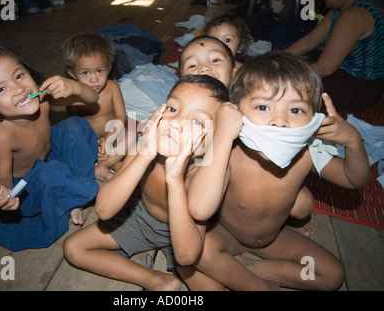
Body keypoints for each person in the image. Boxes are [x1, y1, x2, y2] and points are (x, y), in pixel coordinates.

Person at [179, 52, 370, 290]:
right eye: (262, 107)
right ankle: (256, 285)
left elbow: (354, 179)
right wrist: (223, 136)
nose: (279, 121)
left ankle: (247, 268)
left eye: (296, 110)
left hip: (272, 239)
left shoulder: (308, 149)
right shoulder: (229, 147)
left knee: (330, 275)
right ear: (236, 111)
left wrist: (353, 140)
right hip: (224, 235)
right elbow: (197, 206)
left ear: (315, 117)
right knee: (198, 252)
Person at [63, 74, 230, 291]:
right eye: (172, 109)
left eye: (197, 121)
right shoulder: (145, 146)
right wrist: (145, 153)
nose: (176, 123)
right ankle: (155, 280)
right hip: (138, 217)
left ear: (215, 140)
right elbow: (104, 210)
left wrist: (174, 180)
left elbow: (186, 254)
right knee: (73, 248)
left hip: (182, 234)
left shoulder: (208, 172)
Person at [0, 44, 100, 251]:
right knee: (51, 173)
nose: (19, 89)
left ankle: (74, 195)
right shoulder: (1, 136)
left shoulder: (42, 99)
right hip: (29, 185)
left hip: (50, 158)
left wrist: (74, 87)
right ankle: (80, 195)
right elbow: (2, 177)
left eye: (19, 76)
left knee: (74, 126)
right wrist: (4, 191)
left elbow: (93, 98)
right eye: (1, 89)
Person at [179, 37, 316, 235]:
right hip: (214, 177)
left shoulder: (249, 102)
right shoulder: (184, 110)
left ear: (235, 71)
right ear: (182, 79)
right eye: (192, 65)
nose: (204, 68)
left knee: (303, 204)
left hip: (257, 178)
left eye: (215, 60)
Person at [286, 0, 384, 111]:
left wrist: (282, 76)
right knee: (297, 61)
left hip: (358, 86)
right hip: (341, 72)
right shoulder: (337, 12)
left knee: (286, 91)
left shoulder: (356, 15)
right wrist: (275, 59)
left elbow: (325, 69)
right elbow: (310, 41)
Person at [62, 33, 131, 182]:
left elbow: (121, 117)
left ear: (108, 68)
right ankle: (113, 165)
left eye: (99, 71)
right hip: (90, 142)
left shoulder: (112, 87)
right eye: (85, 73)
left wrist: (108, 139)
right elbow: (75, 125)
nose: (94, 79)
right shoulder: (73, 97)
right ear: (72, 74)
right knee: (71, 146)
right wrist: (93, 146)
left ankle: (105, 165)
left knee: (131, 136)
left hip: (113, 137)